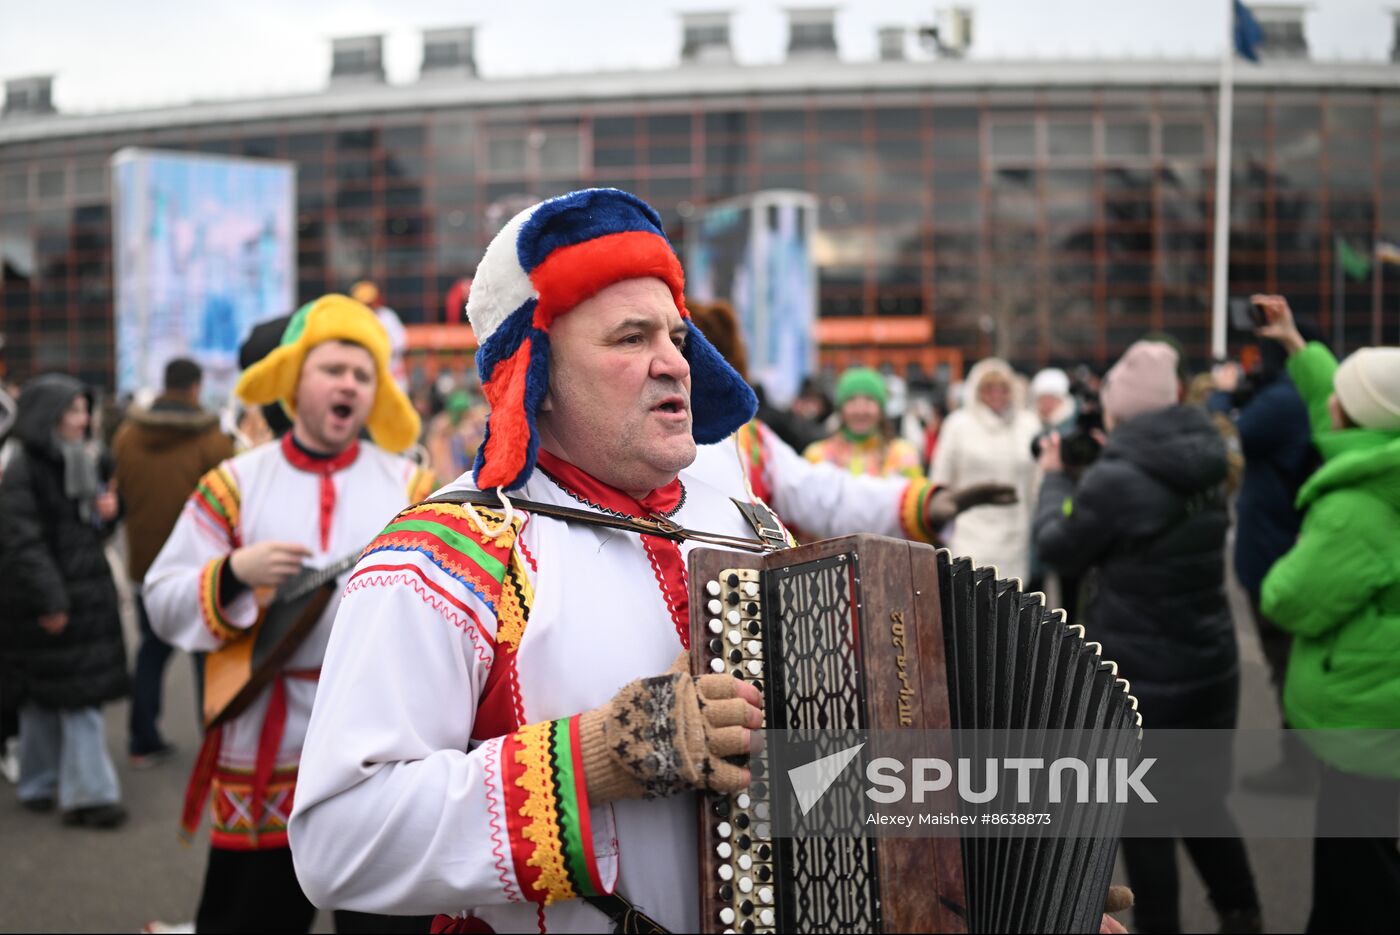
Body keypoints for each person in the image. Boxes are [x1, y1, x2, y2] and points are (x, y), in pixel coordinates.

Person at [289, 190, 1131, 935]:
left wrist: (998, 888)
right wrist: (591, 759)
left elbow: (829, 770)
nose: (672, 359)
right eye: (630, 336)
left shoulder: (747, 523)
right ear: (534, 374)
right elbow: (336, 842)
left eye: (675, 334)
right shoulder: (445, 554)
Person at [143, 295, 435, 933]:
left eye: (363, 376)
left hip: (378, 758)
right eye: (333, 369)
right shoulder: (234, 483)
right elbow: (161, 601)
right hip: (264, 762)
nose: (349, 385)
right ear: (294, 380)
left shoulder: (412, 488)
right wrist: (233, 575)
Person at [1033, 340, 1262, 934]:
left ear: (1121, 409)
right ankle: (1242, 912)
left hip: (1141, 675)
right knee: (1203, 801)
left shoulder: (1120, 477)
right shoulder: (1206, 455)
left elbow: (1057, 546)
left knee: (1142, 819)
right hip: (1208, 663)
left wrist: (1055, 481)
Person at [1253, 294, 1400, 935]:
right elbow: (1338, 408)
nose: (1327, 406)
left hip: (1364, 730)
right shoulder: (1384, 461)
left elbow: (1287, 597)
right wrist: (1295, 343)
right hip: (1383, 713)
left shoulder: (1356, 510)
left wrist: (1287, 561)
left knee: (1358, 886)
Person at [686, 298, 1014, 543]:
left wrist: (921, 504)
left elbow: (830, 498)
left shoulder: (749, 442)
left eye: (680, 345)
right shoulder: (818, 450)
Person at [0, 374, 128, 828]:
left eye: (83, 409)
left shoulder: (84, 459)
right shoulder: (23, 468)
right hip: (48, 597)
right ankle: (89, 796)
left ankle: (38, 782)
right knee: (75, 697)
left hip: (75, 592)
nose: (84, 419)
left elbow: (90, 528)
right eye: (72, 411)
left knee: (45, 694)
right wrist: (51, 600)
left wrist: (111, 515)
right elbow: (22, 541)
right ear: (47, 417)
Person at [1208, 336, 1318, 792]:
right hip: (1276, 546)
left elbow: (1223, 443)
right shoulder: (1288, 398)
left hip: (1274, 557)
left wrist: (1221, 394)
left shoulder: (1281, 401)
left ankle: (1301, 766)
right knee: (1288, 663)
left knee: (1286, 663)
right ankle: (1304, 761)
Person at [113, 357, 235, 768]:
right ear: (196, 388)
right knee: (207, 657)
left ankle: (140, 740)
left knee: (151, 653)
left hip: (145, 566)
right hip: (202, 570)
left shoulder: (127, 435)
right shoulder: (213, 440)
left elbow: (122, 494)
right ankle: (215, 750)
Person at [931, 357, 1041, 582]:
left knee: (1013, 601)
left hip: (1015, 530)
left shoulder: (1029, 425)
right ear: (977, 391)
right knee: (971, 597)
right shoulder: (958, 425)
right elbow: (941, 477)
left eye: (1003, 389)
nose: (996, 395)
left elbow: (1037, 479)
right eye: (989, 388)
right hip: (968, 530)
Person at [803, 366, 924, 479]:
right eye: (852, 401)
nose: (860, 411)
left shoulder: (903, 455)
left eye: (869, 400)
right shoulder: (817, 456)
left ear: (881, 409)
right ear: (840, 409)